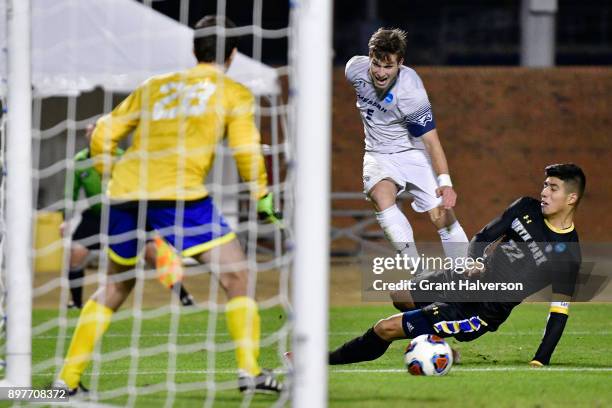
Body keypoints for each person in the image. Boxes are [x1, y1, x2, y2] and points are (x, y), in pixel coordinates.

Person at [56, 15, 283, 395]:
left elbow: (103, 133)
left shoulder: (154, 86)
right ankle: (250, 372)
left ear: (194, 49)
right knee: (237, 276)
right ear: (233, 54)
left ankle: (66, 381)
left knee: (115, 284)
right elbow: (246, 151)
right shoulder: (233, 92)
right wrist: (260, 194)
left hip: (126, 193)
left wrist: (111, 174)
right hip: (179, 195)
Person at [328, 164, 584, 368]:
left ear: (571, 198)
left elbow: (558, 313)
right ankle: (441, 348)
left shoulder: (568, 254)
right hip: (466, 280)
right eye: (544, 185)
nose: (544, 192)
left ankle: (325, 360)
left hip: (481, 309)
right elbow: (483, 238)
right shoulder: (525, 208)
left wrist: (541, 359)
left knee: (386, 328)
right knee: (400, 295)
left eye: (553, 188)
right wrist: (476, 259)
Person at [345, 28, 468, 271]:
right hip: (377, 154)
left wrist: (445, 182)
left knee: (441, 215)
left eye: (388, 67)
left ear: (400, 63)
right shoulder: (354, 70)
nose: (381, 73)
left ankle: (465, 273)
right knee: (382, 197)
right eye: (376, 64)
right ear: (369, 56)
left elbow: (432, 141)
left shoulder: (411, 91)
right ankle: (419, 274)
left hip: (411, 153)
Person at [62, 125, 194, 308]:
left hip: (126, 213)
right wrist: (66, 219)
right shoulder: (80, 161)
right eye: (88, 131)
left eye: (95, 130)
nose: (90, 134)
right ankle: (76, 304)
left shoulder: (123, 157)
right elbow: (71, 193)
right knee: (74, 254)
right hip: (97, 216)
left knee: (153, 256)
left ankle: (185, 297)